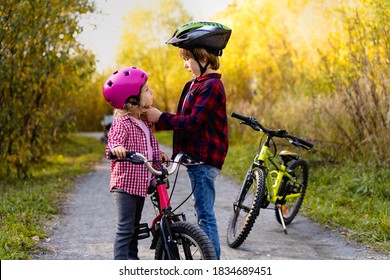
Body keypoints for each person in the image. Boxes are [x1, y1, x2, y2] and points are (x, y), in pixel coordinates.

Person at [142, 21, 232, 259]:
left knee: (204, 214)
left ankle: (212, 262)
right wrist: (155, 121)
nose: (184, 65)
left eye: (187, 58)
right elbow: (181, 119)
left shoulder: (212, 86)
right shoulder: (194, 84)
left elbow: (192, 122)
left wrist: (161, 116)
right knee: (201, 211)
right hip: (194, 159)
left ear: (202, 56)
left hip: (203, 160)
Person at [102, 66, 168, 260]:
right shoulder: (122, 123)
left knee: (134, 226)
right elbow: (113, 142)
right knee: (125, 228)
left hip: (141, 183)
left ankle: (133, 260)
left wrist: (160, 155)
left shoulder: (144, 121)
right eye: (147, 90)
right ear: (132, 100)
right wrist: (117, 149)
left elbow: (150, 145)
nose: (151, 92)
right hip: (126, 184)